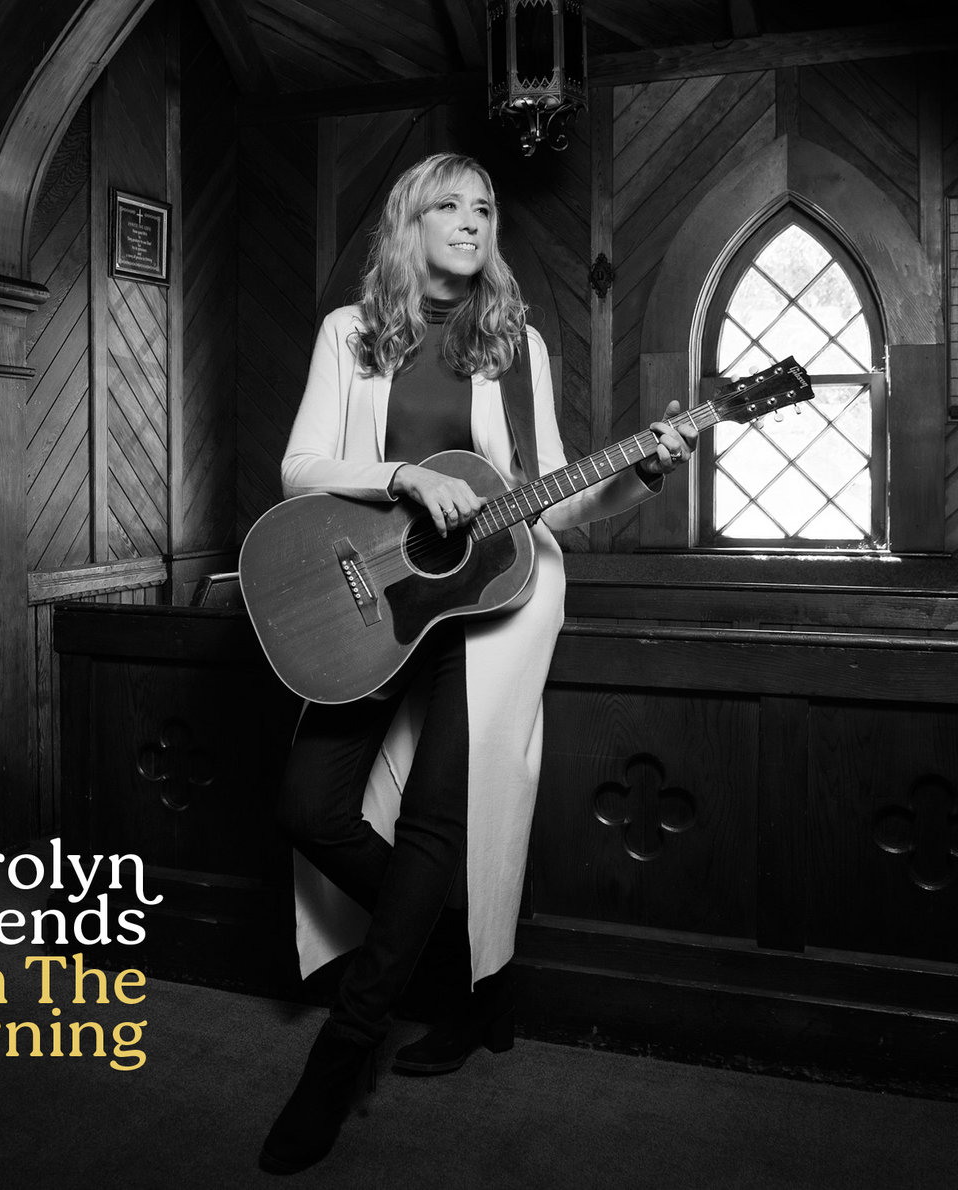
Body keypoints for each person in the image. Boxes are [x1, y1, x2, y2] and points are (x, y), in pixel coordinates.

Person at [258, 152, 697, 1175]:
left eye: (486, 207)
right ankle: (457, 963)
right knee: (309, 807)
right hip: (377, 599)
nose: (472, 220)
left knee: (433, 823)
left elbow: (558, 500)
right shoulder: (352, 333)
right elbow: (300, 467)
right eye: (448, 205)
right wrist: (404, 477)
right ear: (407, 223)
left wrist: (641, 472)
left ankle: (342, 1054)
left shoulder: (514, 342)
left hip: (496, 602)